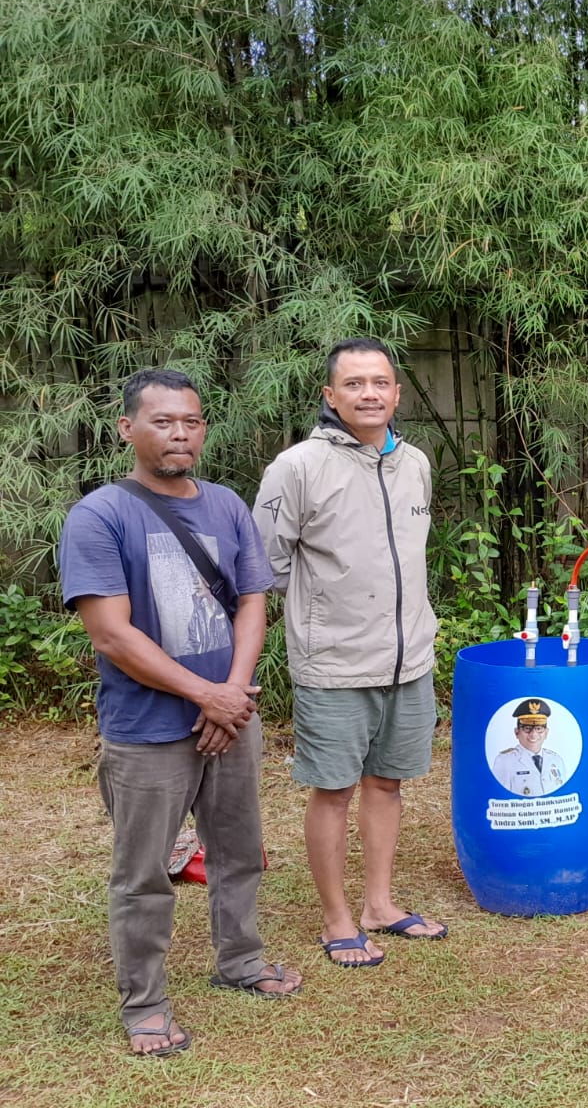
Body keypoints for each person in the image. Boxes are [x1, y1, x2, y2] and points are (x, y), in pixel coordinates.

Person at [58, 369, 302, 1058]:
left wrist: (234, 690)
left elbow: (253, 601)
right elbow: (112, 634)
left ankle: (242, 960)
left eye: (191, 421)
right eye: (163, 421)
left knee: (237, 852)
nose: (180, 433)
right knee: (143, 875)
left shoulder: (225, 505)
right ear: (127, 429)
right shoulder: (101, 516)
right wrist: (207, 696)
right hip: (149, 730)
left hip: (231, 715)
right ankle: (145, 1004)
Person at [253, 338, 446, 969]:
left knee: (386, 783)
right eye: (355, 384)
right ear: (330, 396)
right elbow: (264, 565)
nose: (371, 394)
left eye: (382, 383)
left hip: (408, 659)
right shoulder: (298, 468)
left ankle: (380, 906)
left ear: (397, 393)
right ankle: (338, 920)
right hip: (334, 663)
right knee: (333, 789)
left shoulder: (414, 462)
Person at [491, 698, 568, 796]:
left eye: (539, 728)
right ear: (517, 732)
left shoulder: (556, 760)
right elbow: (499, 796)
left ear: (546, 733)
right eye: (527, 728)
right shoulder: (505, 761)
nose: (533, 735)